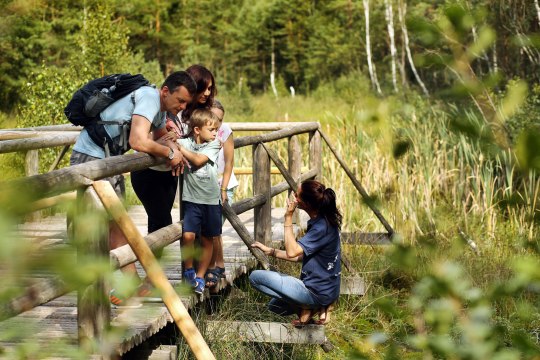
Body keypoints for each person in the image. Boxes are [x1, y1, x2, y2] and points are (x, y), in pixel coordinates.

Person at [70, 71, 197, 305]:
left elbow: (161, 138)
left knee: (116, 223)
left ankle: (131, 284)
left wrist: (175, 151)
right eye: (180, 100)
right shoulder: (150, 97)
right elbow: (138, 141)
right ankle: (96, 289)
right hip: (90, 157)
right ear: (166, 91)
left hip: (109, 159)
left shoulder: (160, 109)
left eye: (186, 103)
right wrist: (170, 152)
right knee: (97, 226)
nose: (182, 107)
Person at [130, 65, 216, 257]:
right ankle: (152, 275)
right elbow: (143, 139)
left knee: (160, 223)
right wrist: (172, 150)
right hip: (149, 172)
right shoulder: (160, 106)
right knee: (162, 223)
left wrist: (175, 148)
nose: (206, 93)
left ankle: (153, 274)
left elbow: (172, 141)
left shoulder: (190, 113)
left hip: (169, 174)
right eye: (203, 88)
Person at [249, 180, 342, 325]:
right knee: (275, 306)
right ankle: (312, 308)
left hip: (316, 291)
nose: (294, 197)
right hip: (326, 290)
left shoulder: (320, 228)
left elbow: (292, 252)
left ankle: (312, 306)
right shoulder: (324, 221)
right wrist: (272, 251)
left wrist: (288, 217)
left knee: (255, 277)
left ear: (307, 204)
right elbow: (301, 256)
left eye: (297, 195)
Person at [177, 109, 222, 294]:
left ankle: (201, 276)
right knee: (188, 236)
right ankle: (189, 271)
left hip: (211, 200)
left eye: (216, 129)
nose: (215, 133)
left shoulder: (215, 144)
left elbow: (196, 161)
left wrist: (178, 149)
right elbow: (170, 141)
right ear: (197, 130)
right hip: (191, 199)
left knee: (207, 239)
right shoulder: (185, 142)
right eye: (211, 129)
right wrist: (172, 138)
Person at [204, 100, 238, 289]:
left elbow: (229, 163)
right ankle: (218, 265)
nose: (218, 122)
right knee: (211, 229)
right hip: (205, 186)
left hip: (223, 185)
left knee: (213, 227)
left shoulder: (225, 131)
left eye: (221, 118)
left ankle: (216, 266)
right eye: (215, 117)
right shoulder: (201, 129)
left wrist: (223, 188)